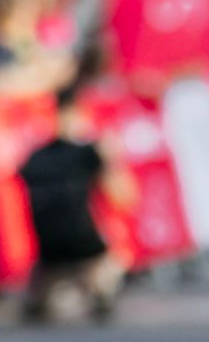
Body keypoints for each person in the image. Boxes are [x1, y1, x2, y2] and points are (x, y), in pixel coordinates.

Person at [17, 80, 131, 322]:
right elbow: (124, 197)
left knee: (48, 272)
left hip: (47, 250)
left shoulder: (34, 157)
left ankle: (38, 299)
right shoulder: (89, 152)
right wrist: (112, 160)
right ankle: (99, 287)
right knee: (117, 253)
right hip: (85, 244)